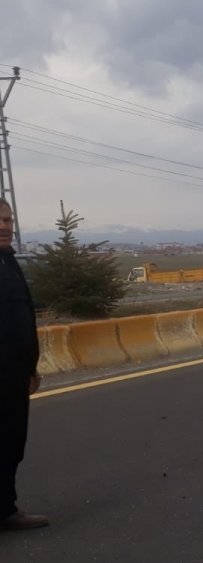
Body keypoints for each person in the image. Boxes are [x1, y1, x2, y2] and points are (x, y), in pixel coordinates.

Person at [0, 198, 48, 530]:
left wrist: (30, 368)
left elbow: (23, 318)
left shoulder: (9, 262)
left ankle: (5, 509)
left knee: (11, 443)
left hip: (14, 375)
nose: (4, 225)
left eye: (8, 219)